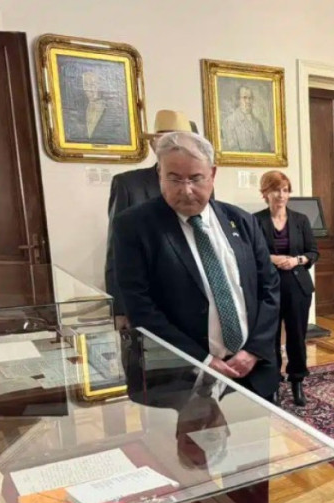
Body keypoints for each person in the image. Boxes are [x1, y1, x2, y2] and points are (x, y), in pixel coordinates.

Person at [112, 131, 280, 402]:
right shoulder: (134, 227)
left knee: (254, 431)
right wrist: (202, 360)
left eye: (195, 178)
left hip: (251, 370)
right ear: (160, 174)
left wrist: (253, 351)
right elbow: (140, 306)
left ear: (212, 174)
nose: (186, 189)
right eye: (174, 179)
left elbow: (269, 287)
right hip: (180, 378)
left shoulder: (242, 221)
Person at [106, 110, 195, 327]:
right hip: (147, 299)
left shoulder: (200, 184)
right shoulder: (129, 185)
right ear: (154, 144)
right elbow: (115, 252)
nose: (174, 147)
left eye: (179, 140)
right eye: (166, 140)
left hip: (192, 298)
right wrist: (120, 309)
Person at [253, 170, 318, 407]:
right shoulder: (254, 220)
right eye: (275, 190)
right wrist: (272, 259)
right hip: (268, 287)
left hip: (297, 285)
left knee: (296, 336)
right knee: (269, 338)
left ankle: (297, 381)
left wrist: (297, 260)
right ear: (265, 193)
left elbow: (313, 252)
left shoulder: (301, 220)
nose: (281, 195)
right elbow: (249, 253)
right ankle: (272, 383)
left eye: (285, 190)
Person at [221, 85, 271, 153]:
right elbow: (232, 151)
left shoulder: (258, 124)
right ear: (238, 100)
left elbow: (266, 149)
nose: (248, 101)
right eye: (244, 98)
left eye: (250, 98)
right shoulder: (229, 122)